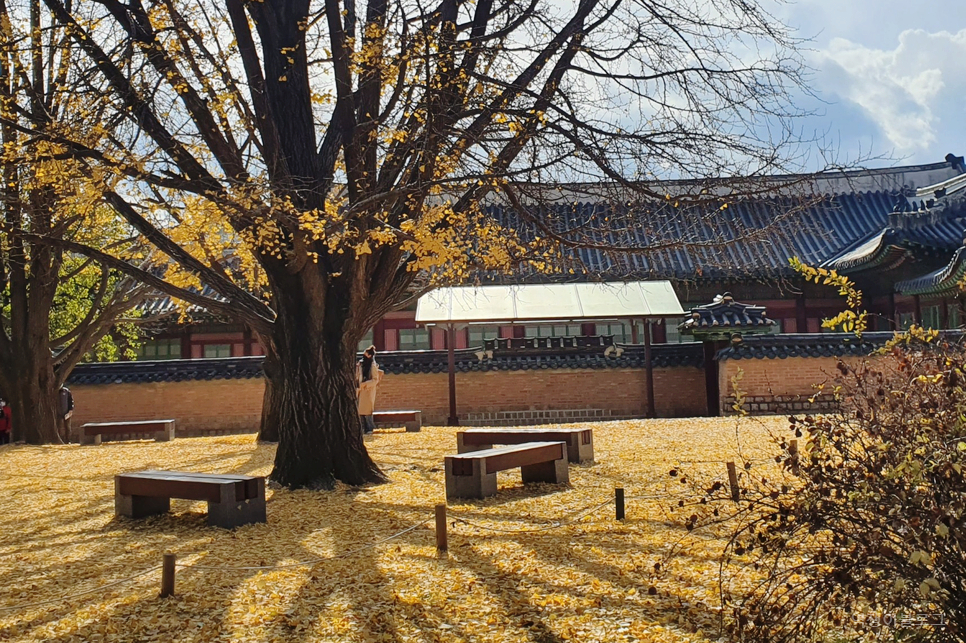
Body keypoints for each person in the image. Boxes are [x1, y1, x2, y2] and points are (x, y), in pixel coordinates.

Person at [356, 346, 383, 435]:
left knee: (367, 411)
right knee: (359, 411)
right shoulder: (361, 364)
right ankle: (362, 429)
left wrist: (366, 384)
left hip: (368, 390)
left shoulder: (373, 366)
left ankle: (369, 429)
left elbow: (375, 380)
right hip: (360, 389)